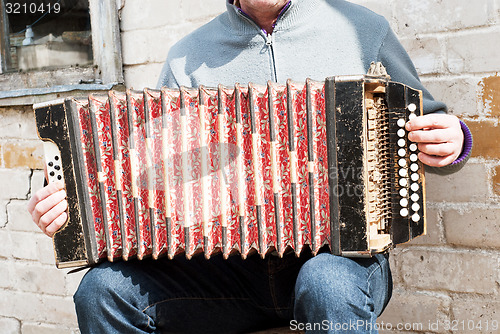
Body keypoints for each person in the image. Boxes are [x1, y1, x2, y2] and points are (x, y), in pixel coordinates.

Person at [28, 0, 472, 333]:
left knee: (325, 285)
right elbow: (148, 177)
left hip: (342, 258)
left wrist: (454, 140)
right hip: (229, 272)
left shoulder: (362, 29)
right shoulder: (188, 56)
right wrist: (77, 207)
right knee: (102, 291)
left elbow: (426, 126)